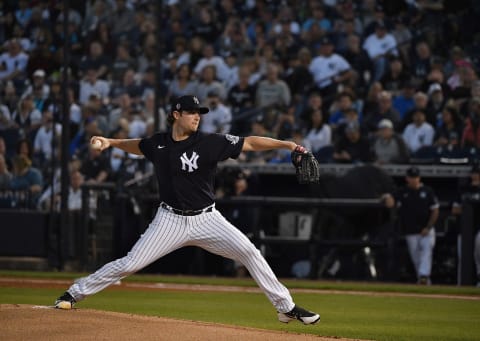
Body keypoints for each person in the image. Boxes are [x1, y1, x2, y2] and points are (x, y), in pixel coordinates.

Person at [54, 95, 320, 325]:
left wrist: (288, 145)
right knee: (130, 263)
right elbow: (138, 145)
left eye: (199, 113)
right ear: (176, 115)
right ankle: (74, 293)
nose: (197, 117)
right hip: (169, 220)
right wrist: (111, 142)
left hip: (207, 219)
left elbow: (249, 142)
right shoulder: (159, 144)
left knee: (249, 251)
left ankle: (286, 308)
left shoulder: (210, 142)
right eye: (191, 112)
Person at [382, 167, 439, 284]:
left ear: (419, 178)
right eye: (411, 177)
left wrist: (428, 227)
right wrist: (386, 197)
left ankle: (424, 276)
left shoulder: (428, 191)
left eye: (416, 177)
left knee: (426, 251)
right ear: (407, 178)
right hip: (411, 231)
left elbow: (435, 210)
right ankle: (424, 281)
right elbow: (390, 202)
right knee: (416, 258)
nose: (414, 180)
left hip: (426, 230)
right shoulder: (402, 191)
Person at [451, 164, 480, 287]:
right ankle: (461, 284)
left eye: (478, 173)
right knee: (463, 258)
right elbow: (455, 209)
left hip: (479, 227)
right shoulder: (464, 189)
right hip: (464, 229)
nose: (476, 175)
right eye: (474, 173)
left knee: (479, 254)